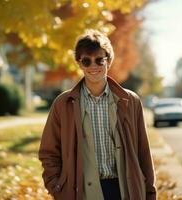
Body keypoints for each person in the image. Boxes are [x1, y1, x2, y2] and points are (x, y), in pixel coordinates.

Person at [38, 29, 156, 200]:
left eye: (99, 60)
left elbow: (144, 153)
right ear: (79, 63)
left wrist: (149, 192)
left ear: (109, 61)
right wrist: (59, 189)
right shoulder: (63, 104)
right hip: (81, 193)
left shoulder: (131, 101)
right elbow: (49, 153)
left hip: (125, 191)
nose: (93, 66)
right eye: (86, 61)